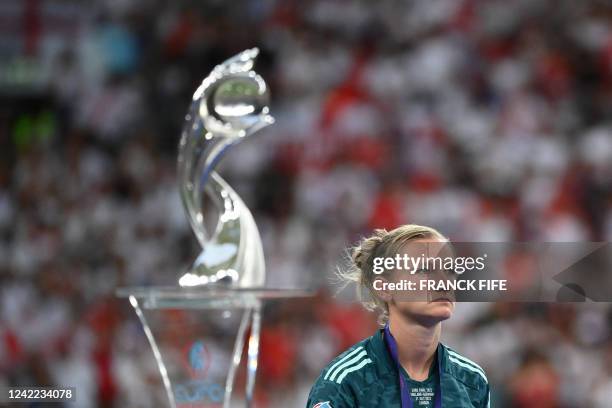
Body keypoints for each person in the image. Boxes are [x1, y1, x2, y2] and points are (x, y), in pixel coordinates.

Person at [307, 224, 490, 407]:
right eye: (424, 270)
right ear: (385, 289)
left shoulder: (472, 381)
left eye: (449, 270)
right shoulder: (346, 382)